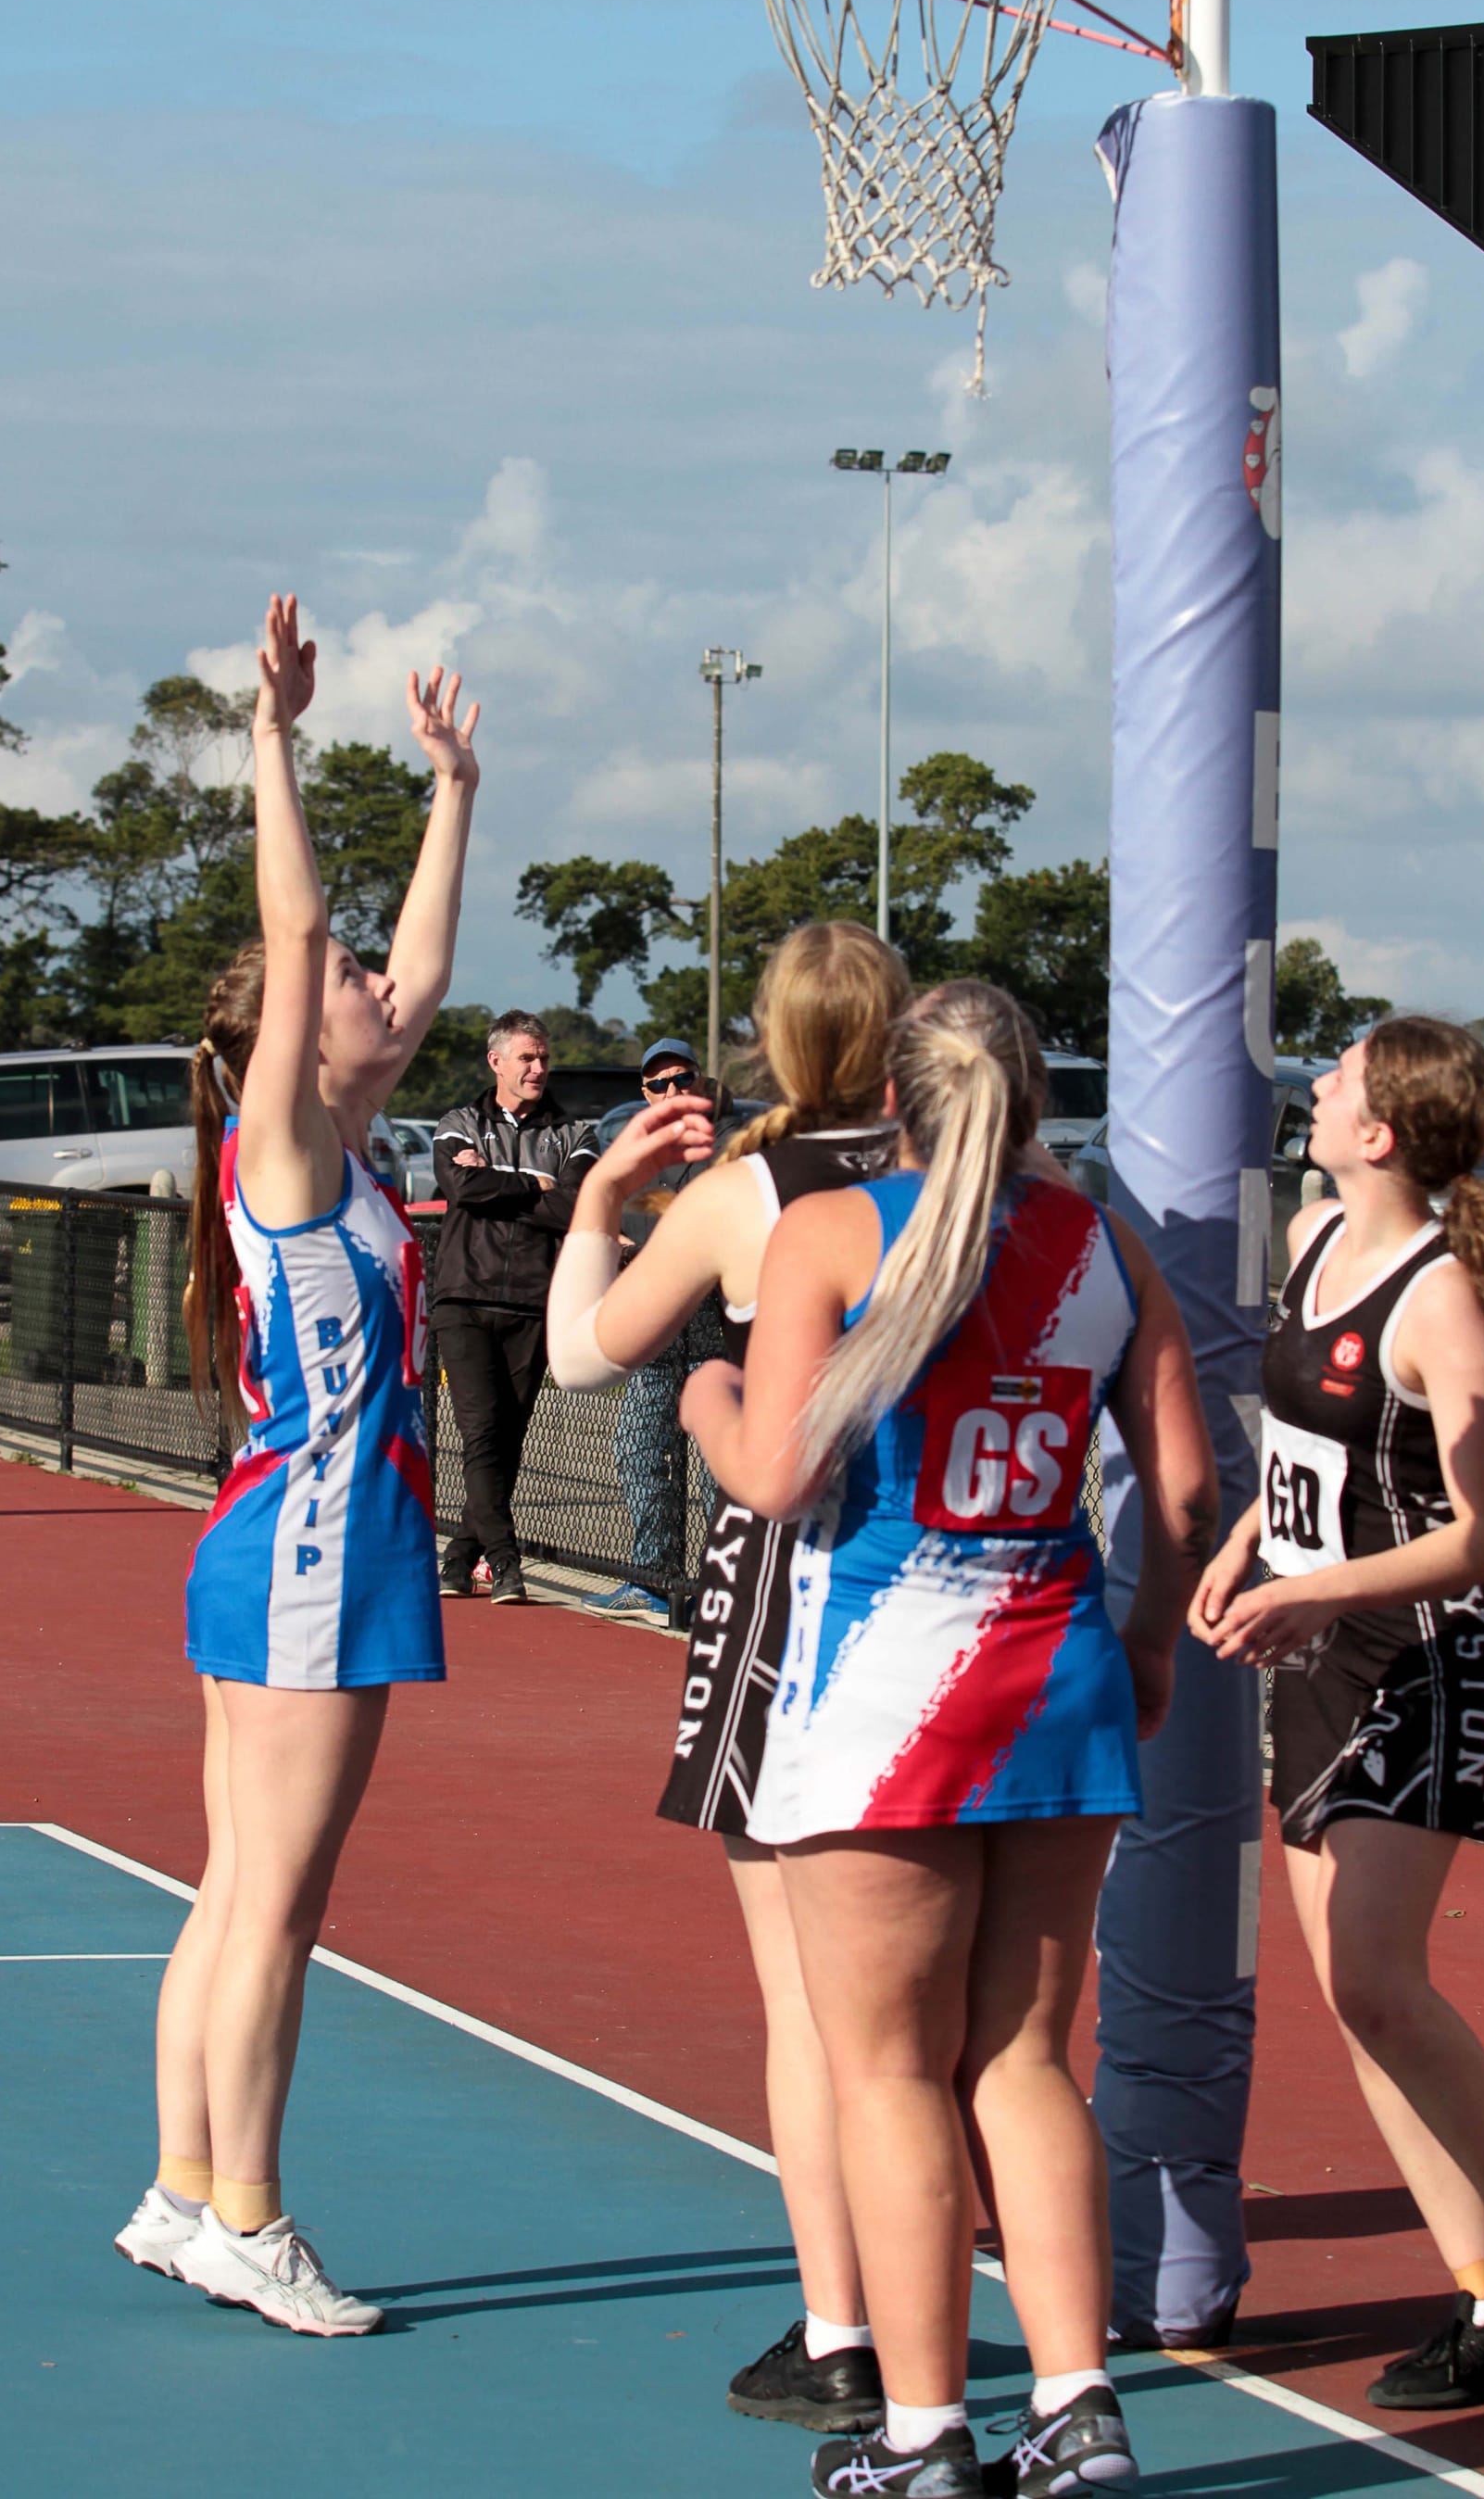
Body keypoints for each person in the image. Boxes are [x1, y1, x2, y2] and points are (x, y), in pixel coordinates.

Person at [678, 980, 1217, 2499]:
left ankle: (923, 2436)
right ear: (1037, 1099)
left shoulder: (836, 1233)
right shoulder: (1104, 1246)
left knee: (892, 2074)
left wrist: (710, 1402)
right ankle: (1079, 2405)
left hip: (884, 1699)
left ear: (894, 1100)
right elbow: (1179, 1498)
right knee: (1030, 2060)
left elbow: (777, 1477)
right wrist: (1154, 1640)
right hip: (1054, 1681)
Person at [114, 596, 479, 2335]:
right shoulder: (283, 1143)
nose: (372, 990)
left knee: (232, 1884)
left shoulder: (338, 1135)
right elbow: (306, 915)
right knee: (279, 1904)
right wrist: (270, 736)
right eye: (341, 985)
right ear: (284, 1026)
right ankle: (251, 2219)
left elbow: (406, 963)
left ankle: (184, 2189)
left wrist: (453, 793)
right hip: (317, 1549)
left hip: (284, 1538)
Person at [549, 922, 911, 2430]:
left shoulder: (746, 1199)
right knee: (958, 2019)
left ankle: (845, 2325)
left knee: (812, 2000)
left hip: (798, 1589)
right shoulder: (987, 1184)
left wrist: (601, 1198)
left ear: (771, 1041)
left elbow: (579, 1352)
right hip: (980, 1587)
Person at [1190, 1017, 1484, 2423]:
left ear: (1384, 1129)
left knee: (1380, 1983)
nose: (1320, 1087)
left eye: (1340, 1077)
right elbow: (1304, 1458)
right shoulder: (1310, 1241)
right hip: (1317, 1644)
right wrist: (1248, 1547)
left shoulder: (1440, 1298)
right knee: (1361, 2006)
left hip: (1422, 1657)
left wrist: (1318, 1588)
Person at [429, 1012, 597, 1605]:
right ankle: (506, 1564)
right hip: (464, 1299)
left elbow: (577, 1205)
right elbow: (462, 1190)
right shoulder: (457, 1123)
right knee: (480, 1434)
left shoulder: (574, 1133)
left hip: (533, 1301)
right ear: (496, 1061)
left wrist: (502, 1183)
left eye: (544, 1058)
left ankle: (457, 1561)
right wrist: (536, 1185)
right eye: (527, 1058)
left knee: (508, 1441)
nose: (538, 1069)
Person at [601, 1039, 738, 1622]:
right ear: (645, 1094)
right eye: (659, 1084)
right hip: (654, 1331)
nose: (672, 1092)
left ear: (699, 1083)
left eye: (682, 1079)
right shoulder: (635, 1151)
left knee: (715, 1468)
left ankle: (717, 1586)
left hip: (712, 1334)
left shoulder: (727, 1144)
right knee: (639, 1449)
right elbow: (600, 1205)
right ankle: (651, 1578)